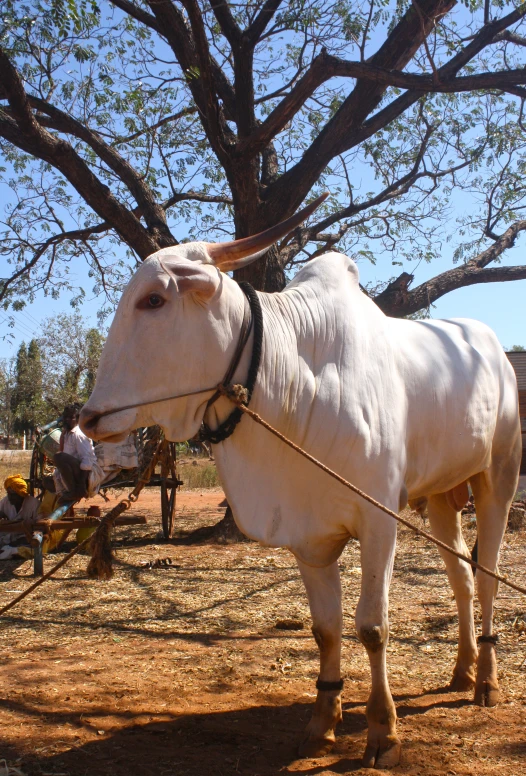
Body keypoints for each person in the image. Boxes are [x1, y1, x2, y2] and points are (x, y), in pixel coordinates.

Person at [54, 403, 97, 503]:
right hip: (73, 472)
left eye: (71, 417)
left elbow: (87, 460)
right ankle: (68, 492)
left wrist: (81, 485)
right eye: (65, 417)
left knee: (59, 457)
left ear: (77, 419)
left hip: (84, 475)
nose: (67, 420)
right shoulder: (67, 434)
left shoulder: (79, 434)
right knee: (46, 482)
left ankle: (74, 492)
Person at [0, 474, 41, 559]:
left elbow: (40, 527)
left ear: (21, 495)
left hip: (24, 538)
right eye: (8, 494)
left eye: (13, 495)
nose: (10, 497)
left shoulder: (34, 504)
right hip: (6, 536)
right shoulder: (5, 501)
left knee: (21, 549)